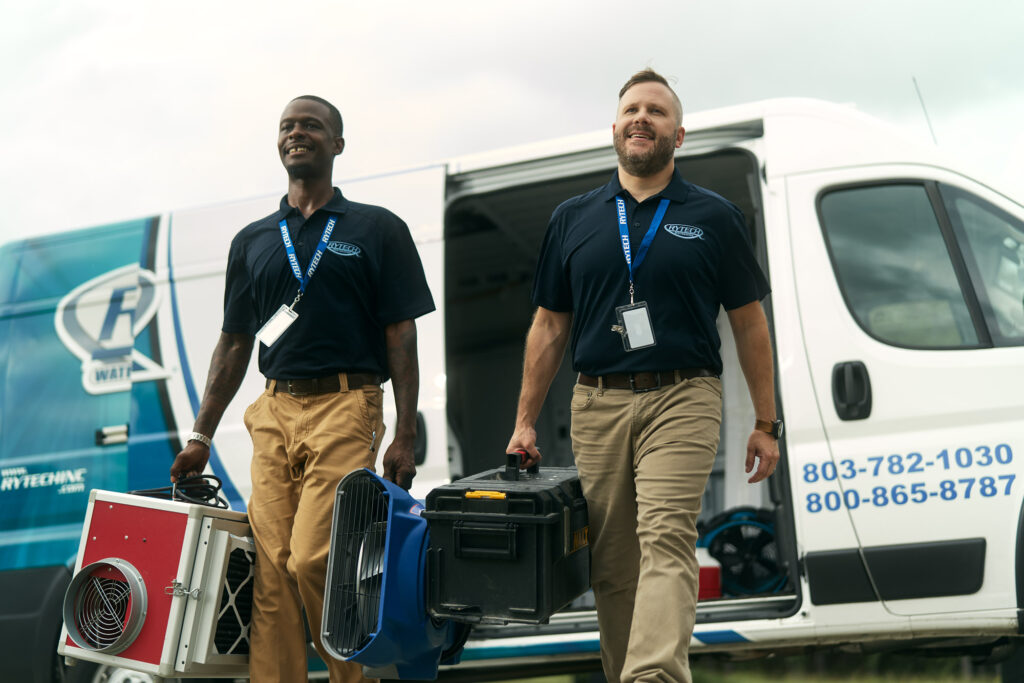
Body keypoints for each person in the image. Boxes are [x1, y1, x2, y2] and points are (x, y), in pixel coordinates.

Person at [506, 69, 782, 683]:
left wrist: (766, 421)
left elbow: (750, 324)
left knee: (665, 537)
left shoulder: (714, 216)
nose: (642, 118)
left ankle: (653, 675)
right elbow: (549, 326)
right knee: (612, 563)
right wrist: (525, 421)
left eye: (656, 112)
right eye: (632, 109)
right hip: (597, 402)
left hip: (683, 395)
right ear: (614, 129)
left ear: (677, 135)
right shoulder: (572, 218)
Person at [169, 95, 435, 683]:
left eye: (311, 125)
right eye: (287, 126)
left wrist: (406, 432)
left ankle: (353, 677)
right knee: (272, 574)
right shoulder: (254, 240)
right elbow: (235, 342)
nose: (297, 133)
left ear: (336, 144)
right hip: (274, 407)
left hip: (347, 404)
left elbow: (401, 332)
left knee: (315, 557)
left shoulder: (377, 228)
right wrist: (200, 436)